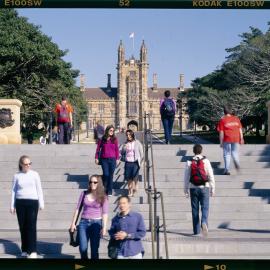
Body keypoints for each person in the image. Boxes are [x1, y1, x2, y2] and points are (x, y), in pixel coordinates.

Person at [10, 155, 44, 258]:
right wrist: (12, 205)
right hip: (20, 203)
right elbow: (13, 191)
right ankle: (24, 249)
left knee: (31, 226)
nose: (28, 166)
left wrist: (41, 203)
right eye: (26, 164)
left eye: (30, 163)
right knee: (22, 227)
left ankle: (32, 250)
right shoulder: (16, 176)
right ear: (21, 164)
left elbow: (39, 189)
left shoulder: (35, 174)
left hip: (32, 202)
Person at [70, 175, 108, 259]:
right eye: (90, 182)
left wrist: (104, 227)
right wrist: (73, 223)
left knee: (94, 250)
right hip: (83, 223)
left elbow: (105, 213)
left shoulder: (103, 196)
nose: (92, 184)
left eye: (95, 182)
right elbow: (77, 209)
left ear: (99, 183)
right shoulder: (84, 193)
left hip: (96, 224)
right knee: (83, 248)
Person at [184, 144, 215, 237]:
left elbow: (186, 177)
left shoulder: (189, 162)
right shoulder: (206, 161)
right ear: (201, 151)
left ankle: (196, 230)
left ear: (193, 151)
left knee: (195, 209)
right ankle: (204, 222)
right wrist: (213, 188)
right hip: (204, 187)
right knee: (205, 207)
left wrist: (185, 189)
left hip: (193, 188)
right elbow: (210, 175)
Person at [217, 105, 244, 175]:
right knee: (234, 153)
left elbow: (221, 132)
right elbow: (240, 129)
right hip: (236, 138)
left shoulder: (222, 120)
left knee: (227, 154)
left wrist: (221, 142)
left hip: (227, 138)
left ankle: (227, 170)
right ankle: (236, 162)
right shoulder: (236, 118)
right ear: (231, 111)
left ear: (224, 112)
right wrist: (242, 138)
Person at [95, 125, 120, 196]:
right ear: (107, 130)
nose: (112, 132)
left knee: (111, 176)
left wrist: (117, 158)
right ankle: (104, 189)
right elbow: (98, 149)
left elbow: (117, 150)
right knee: (106, 174)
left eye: (113, 131)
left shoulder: (114, 139)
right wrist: (96, 158)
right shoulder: (102, 139)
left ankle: (109, 191)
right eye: (110, 130)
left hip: (113, 160)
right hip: (104, 160)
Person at [121, 129, 144, 197]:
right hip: (128, 162)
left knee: (134, 177)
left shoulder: (137, 142)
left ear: (132, 135)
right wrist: (124, 147)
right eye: (127, 135)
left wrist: (142, 161)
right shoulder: (125, 143)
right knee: (128, 178)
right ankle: (130, 191)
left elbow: (141, 153)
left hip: (135, 162)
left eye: (129, 134)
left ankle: (134, 187)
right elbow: (122, 153)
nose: (128, 136)